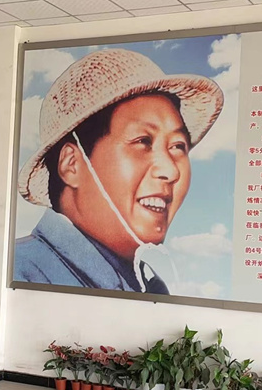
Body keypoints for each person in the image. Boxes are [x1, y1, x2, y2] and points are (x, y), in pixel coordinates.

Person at [14, 48, 224, 293]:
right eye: (143, 141)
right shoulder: (23, 272)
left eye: (177, 146)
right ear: (72, 164)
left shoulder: (151, 286)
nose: (171, 171)